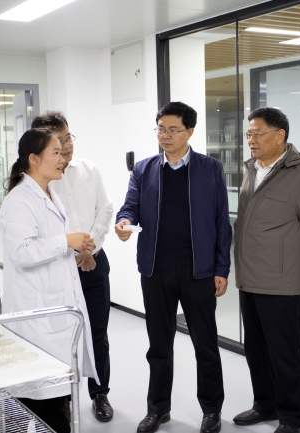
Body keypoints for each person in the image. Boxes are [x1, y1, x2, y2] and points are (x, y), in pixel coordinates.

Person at [115, 101, 231, 433]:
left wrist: (221, 268)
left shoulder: (211, 169)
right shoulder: (144, 169)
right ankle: (157, 409)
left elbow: (222, 222)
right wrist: (123, 222)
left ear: (190, 131)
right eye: (160, 129)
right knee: (159, 346)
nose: (165, 135)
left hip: (199, 272)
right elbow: (130, 207)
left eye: (173, 130)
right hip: (156, 270)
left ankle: (211, 410)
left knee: (205, 345)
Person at [232, 107, 300, 433]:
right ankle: (265, 404)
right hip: (249, 280)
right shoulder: (251, 170)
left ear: (280, 136)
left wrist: (290, 265)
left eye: (257, 133)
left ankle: (292, 418)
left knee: (285, 354)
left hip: (281, 284)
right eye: (248, 134)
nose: (251, 140)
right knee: (256, 351)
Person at [0, 128, 99, 433]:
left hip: (54, 311)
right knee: (36, 399)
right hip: (36, 314)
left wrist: (76, 244)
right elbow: (22, 252)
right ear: (34, 159)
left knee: (41, 398)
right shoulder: (19, 200)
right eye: (55, 152)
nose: (62, 158)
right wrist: (65, 241)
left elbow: (50, 242)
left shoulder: (49, 194)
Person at [31, 112, 115, 422]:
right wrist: (76, 249)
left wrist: (90, 246)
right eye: (59, 140)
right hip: (60, 267)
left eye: (68, 137)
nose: (66, 146)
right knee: (60, 335)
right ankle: (62, 397)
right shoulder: (38, 182)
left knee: (97, 332)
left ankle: (100, 392)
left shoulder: (89, 170)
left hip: (94, 264)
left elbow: (105, 209)